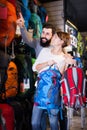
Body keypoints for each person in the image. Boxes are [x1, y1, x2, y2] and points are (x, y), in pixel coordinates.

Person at [31, 31, 76, 130]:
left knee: (53, 123)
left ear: (61, 41)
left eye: (55, 37)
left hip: (54, 95)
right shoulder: (45, 51)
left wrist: (70, 62)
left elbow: (64, 77)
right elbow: (34, 68)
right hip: (40, 91)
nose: (52, 38)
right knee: (34, 123)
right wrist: (47, 63)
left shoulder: (64, 57)